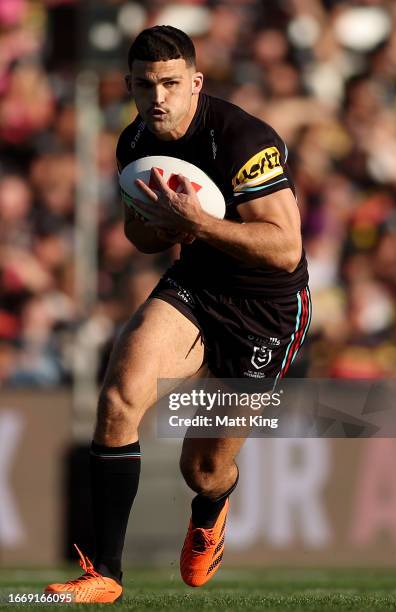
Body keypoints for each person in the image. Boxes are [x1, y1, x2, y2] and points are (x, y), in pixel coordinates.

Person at [45, 25, 311, 604]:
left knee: (205, 467)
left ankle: (211, 509)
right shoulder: (133, 143)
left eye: (170, 83)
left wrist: (199, 225)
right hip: (199, 283)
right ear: (130, 87)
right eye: (145, 86)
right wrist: (154, 226)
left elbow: (286, 247)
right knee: (119, 396)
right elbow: (139, 235)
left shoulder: (244, 138)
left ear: (195, 82)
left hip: (267, 308)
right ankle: (105, 574)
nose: (158, 97)